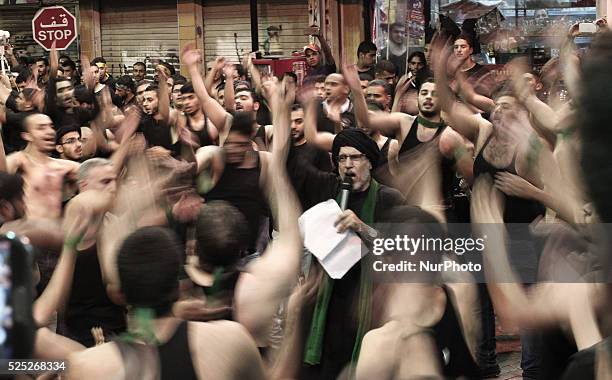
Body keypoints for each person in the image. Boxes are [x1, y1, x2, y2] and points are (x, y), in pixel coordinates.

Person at [66, 226, 266, 380]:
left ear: (120, 295)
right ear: (179, 287)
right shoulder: (231, 341)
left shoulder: (85, 366)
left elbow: (37, 364)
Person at [62, 158, 127, 347]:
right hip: (84, 333)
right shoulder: (74, 223)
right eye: (105, 182)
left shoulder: (114, 221)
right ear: (84, 186)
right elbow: (116, 290)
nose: (114, 188)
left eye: (115, 181)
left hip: (118, 326)